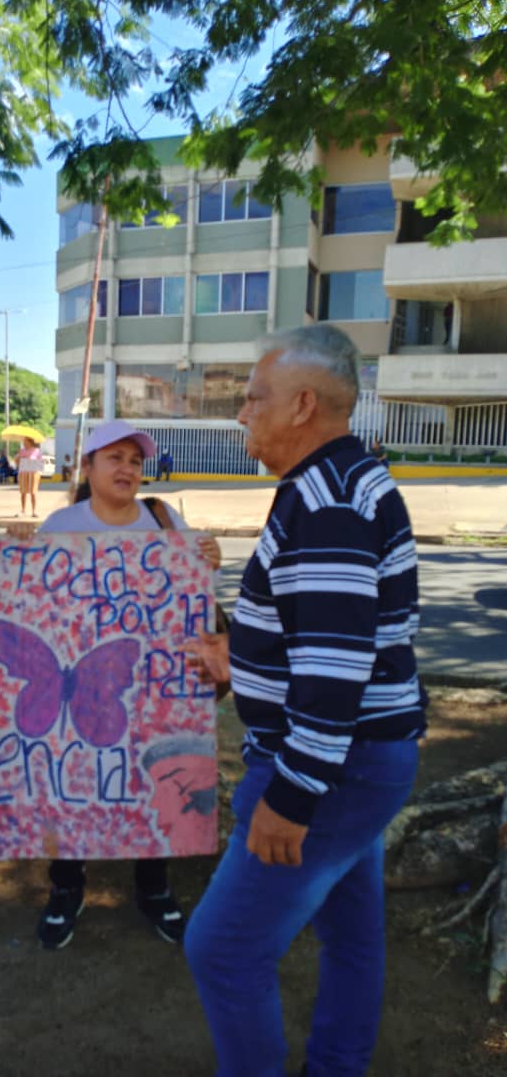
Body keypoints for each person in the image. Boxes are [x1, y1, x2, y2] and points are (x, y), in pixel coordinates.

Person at [182, 324, 426, 1077]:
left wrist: (290, 796)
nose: (241, 412)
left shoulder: (328, 503)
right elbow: (324, 636)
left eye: (255, 397)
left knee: (222, 949)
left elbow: (334, 670)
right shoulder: (338, 483)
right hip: (356, 761)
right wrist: (242, 659)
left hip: (328, 768)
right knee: (352, 936)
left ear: (302, 405)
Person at [10, 418, 221, 950]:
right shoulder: (62, 525)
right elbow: (25, 596)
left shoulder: (162, 518)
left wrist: (210, 561)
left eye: (135, 461)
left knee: (156, 779)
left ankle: (155, 887)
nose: (127, 469)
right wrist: (16, 549)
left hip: (153, 686)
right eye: (115, 458)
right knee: (72, 779)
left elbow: (197, 590)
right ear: (88, 467)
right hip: (78, 685)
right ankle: (66, 886)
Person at [14, 436, 44, 517]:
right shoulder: (22, 451)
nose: (24, 443)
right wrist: (18, 458)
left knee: (33, 492)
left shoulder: (37, 451)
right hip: (23, 473)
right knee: (23, 492)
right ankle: (23, 510)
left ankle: (34, 511)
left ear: (30, 441)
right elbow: (17, 462)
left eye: (25, 441)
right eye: (24, 441)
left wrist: (32, 460)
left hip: (34, 473)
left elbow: (41, 462)